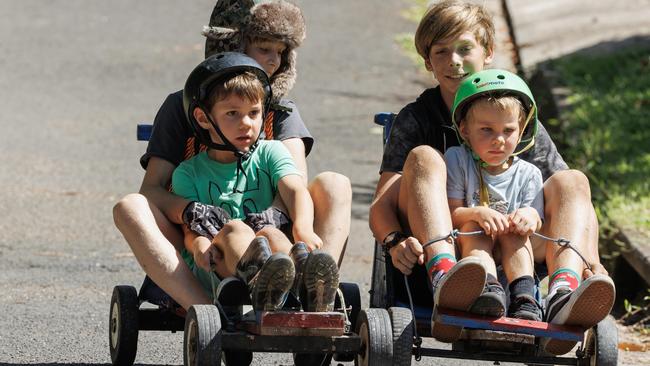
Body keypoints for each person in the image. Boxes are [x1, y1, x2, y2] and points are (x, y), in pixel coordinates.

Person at [368, 0, 615, 353]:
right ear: (428, 61)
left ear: (488, 53)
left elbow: (575, 204)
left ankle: (563, 290)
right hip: (449, 238)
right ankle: (446, 279)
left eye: (465, 48)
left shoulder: (513, 112)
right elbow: (383, 203)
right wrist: (394, 241)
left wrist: (592, 260)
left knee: (573, 180)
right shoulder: (418, 118)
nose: (454, 60)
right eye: (442, 51)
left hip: (520, 243)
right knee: (424, 157)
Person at [113, 0, 350, 314]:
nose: (274, 62)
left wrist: (274, 219)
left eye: (280, 52)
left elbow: (295, 187)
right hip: (204, 235)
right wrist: (192, 213)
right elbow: (152, 190)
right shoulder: (181, 106)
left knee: (335, 184)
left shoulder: (282, 111)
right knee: (129, 206)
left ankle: (316, 295)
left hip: (274, 229)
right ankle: (205, 308)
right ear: (231, 44)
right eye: (264, 48)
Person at [171, 52, 338, 313]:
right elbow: (190, 229)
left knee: (271, 233)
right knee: (236, 229)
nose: (246, 123)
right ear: (204, 119)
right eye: (232, 114)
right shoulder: (188, 172)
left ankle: (301, 283)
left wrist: (303, 228)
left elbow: (295, 190)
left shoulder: (270, 152)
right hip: (218, 266)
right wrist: (197, 246)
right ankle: (262, 282)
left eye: (254, 113)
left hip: (273, 255)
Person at [446, 69, 545, 322]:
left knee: (515, 231)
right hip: (468, 251)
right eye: (487, 130)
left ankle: (524, 297)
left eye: (508, 130)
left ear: (521, 130)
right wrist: (478, 212)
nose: (499, 140)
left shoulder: (529, 174)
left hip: (510, 254)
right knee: (474, 227)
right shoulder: (458, 160)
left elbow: (537, 219)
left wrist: (530, 215)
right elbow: (451, 214)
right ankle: (488, 289)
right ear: (465, 129)